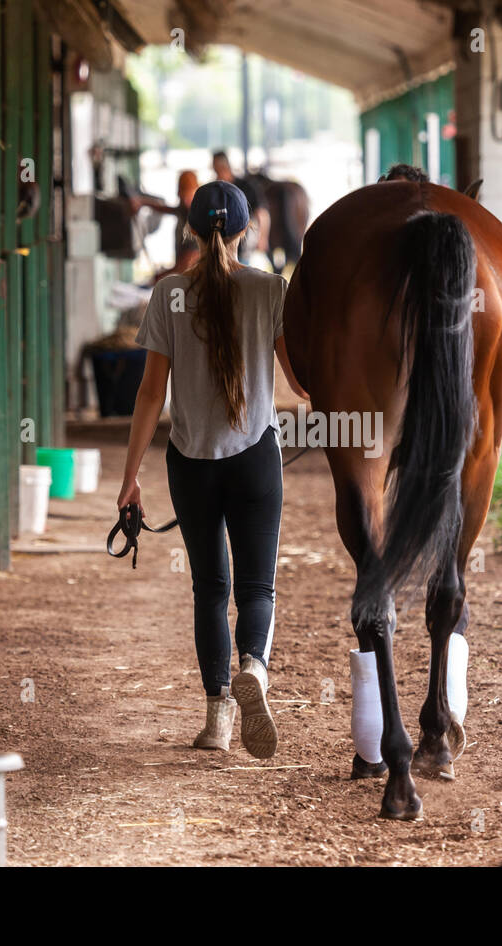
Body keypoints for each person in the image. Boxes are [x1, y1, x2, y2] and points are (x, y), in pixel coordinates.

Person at [118, 180, 308, 757]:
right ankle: (255, 666)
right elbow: (299, 383)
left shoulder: (169, 294)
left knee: (209, 588)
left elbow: (151, 394)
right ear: (247, 230)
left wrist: (130, 478)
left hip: (191, 463)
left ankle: (217, 719)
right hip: (255, 458)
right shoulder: (270, 290)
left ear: (191, 232)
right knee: (257, 586)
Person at [131, 169, 201, 279]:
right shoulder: (184, 209)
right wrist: (143, 202)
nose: (186, 201)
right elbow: (168, 209)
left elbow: (188, 259)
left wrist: (162, 275)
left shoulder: (197, 220)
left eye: (189, 196)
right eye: (184, 196)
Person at [212, 150, 270, 265]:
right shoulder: (215, 188)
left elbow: (262, 213)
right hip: (220, 246)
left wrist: (262, 238)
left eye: (216, 168)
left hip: (243, 245)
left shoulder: (246, 187)